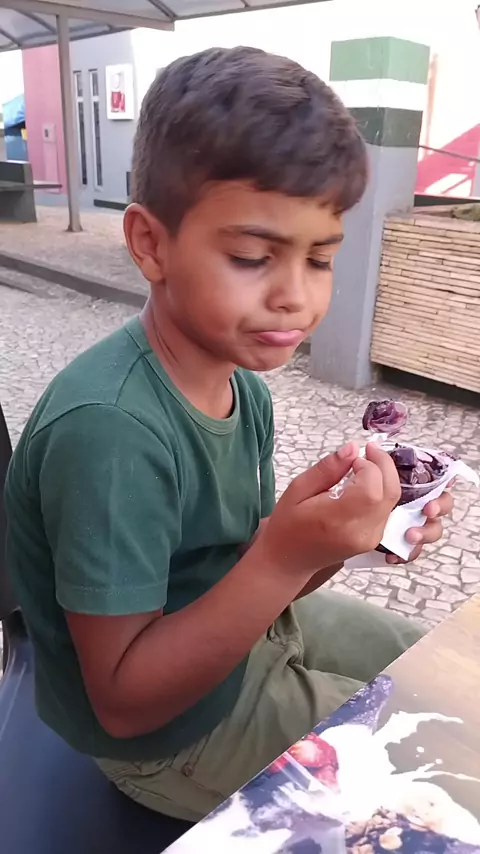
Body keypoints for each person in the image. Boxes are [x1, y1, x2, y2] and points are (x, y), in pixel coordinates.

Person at [5, 47, 453, 823]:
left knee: (444, 675)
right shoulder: (111, 433)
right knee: (444, 757)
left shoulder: (243, 387)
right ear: (151, 244)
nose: (295, 297)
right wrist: (286, 552)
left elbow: (243, 569)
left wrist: (345, 539)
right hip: (172, 739)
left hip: (247, 637)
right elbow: (124, 703)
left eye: (321, 259)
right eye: (252, 257)